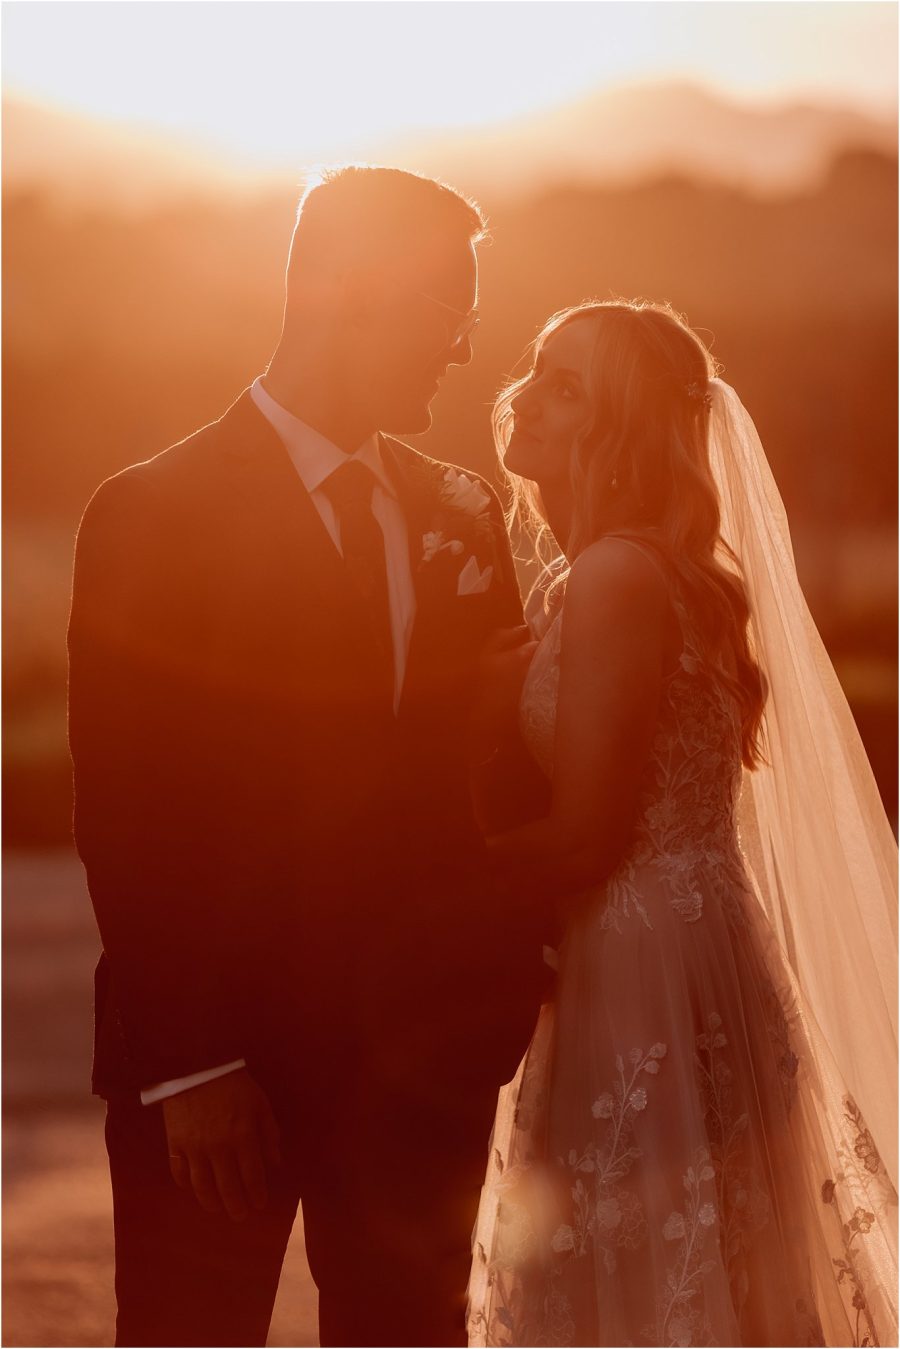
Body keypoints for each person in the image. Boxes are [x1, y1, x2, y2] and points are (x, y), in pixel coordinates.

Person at [67, 166, 548, 1349]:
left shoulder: (461, 509)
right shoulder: (149, 512)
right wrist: (192, 1068)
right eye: (449, 318)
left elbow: (479, 779)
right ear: (348, 295)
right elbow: (131, 807)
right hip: (221, 1069)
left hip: (419, 1068)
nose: (461, 352)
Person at [466, 300, 898, 1347]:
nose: (524, 390)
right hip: (699, 945)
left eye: (566, 384)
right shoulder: (641, 571)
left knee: (648, 1274)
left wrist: (404, 882)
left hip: (636, 964)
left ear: (619, 426)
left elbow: (587, 837)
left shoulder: (616, 574)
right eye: (535, 365)